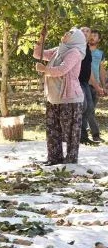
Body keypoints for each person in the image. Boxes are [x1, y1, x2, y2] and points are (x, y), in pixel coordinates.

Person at [35, 27, 88, 164]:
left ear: (76, 38)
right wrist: (41, 38)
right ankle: (54, 158)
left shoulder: (75, 52)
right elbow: (37, 54)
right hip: (53, 98)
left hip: (70, 99)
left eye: (70, 33)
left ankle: (70, 160)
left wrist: (44, 69)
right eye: (67, 32)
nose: (66, 34)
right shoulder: (59, 50)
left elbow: (63, 69)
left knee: (70, 132)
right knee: (53, 130)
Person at [78, 26, 103, 144]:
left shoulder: (88, 49)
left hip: (86, 82)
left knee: (88, 109)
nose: (88, 34)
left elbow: (91, 71)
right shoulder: (78, 46)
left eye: (89, 31)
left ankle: (87, 136)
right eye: (83, 30)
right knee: (85, 108)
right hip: (78, 82)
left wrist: (99, 85)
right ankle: (84, 136)